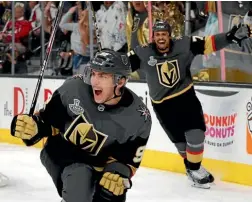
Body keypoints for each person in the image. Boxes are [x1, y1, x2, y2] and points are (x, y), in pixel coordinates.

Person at [10, 49, 152, 202]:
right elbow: (46, 121)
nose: (94, 81)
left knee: (112, 193)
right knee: (80, 182)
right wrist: (32, 128)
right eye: (94, 73)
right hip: (62, 152)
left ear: (121, 81)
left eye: (103, 76)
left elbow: (128, 160)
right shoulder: (74, 89)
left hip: (100, 162)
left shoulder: (139, 117)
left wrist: (116, 175)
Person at [127, 20, 252, 189]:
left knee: (196, 135)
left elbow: (209, 44)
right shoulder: (142, 53)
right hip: (163, 107)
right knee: (182, 146)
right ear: (153, 37)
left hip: (185, 98)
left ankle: (194, 169)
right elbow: (122, 65)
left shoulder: (184, 45)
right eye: (157, 35)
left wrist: (229, 36)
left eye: (164, 34)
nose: (161, 38)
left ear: (169, 36)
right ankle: (192, 168)